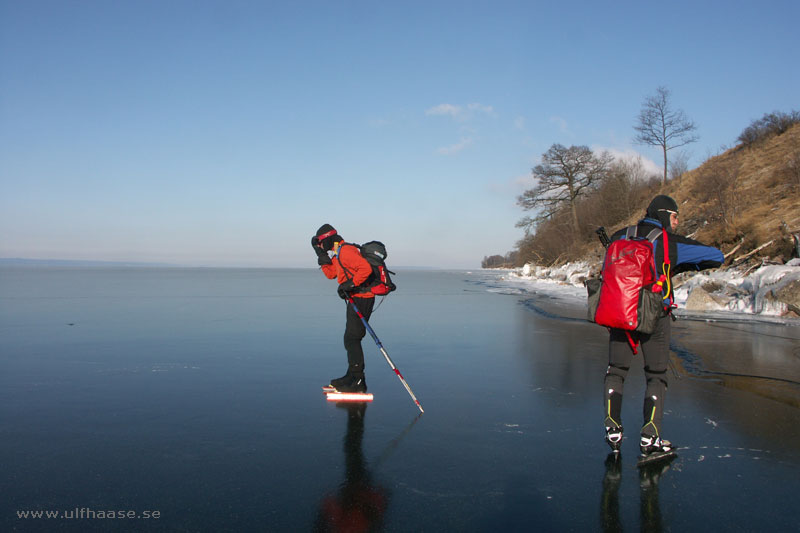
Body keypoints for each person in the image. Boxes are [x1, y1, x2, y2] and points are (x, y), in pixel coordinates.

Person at [603, 195, 723, 457]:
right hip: (655, 314)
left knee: (616, 370)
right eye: (675, 216)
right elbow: (717, 257)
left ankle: (613, 430)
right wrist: (679, 264)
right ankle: (650, 437)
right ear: (665, 214)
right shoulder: (670, 242)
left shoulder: (619, 235)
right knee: (655, 375)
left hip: (621, 313)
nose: (677, 222)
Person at [312, 224, 375, 393]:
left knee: (352, 339)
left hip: (363, 298)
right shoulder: (338, 254)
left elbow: (366, 269)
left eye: (320, 243)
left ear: (327, 239)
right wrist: (321, 255)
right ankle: (352, 376)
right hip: (355, 297)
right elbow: (331, 274)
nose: (320, 246)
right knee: (350, 338)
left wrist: (350, 284)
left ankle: (358, 381)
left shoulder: (346, 251)